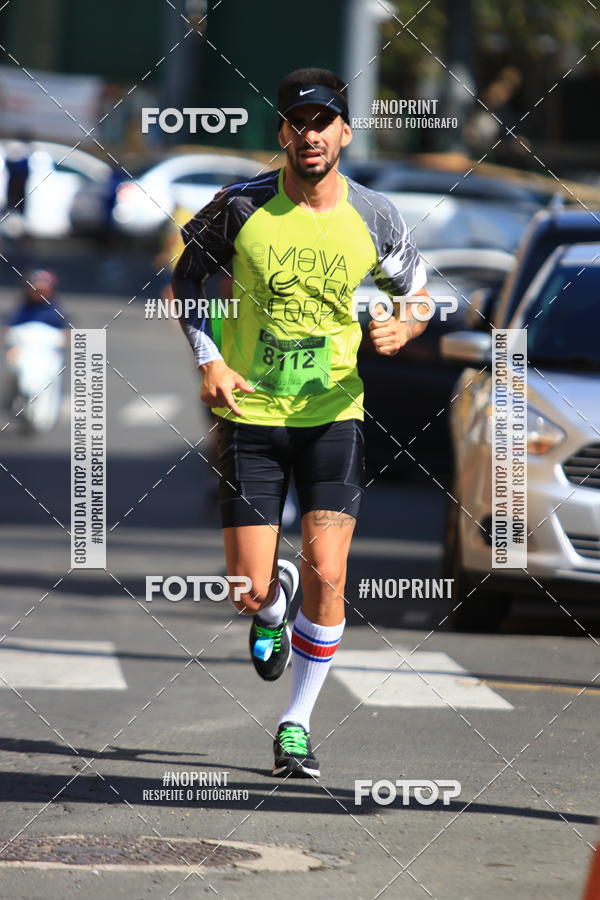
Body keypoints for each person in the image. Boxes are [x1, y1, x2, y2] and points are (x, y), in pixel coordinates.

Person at [173, 68, 431, 778]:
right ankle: (272, 600)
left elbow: (416, 293)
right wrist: (209, 359)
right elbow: (186, 279)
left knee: (332, 571)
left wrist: (404, 327)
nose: (311, 135)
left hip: (333, 415)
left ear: (344, 133)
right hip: (250, 415)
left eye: (324, 123)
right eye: (298, 123)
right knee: (247, 590)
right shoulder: (241, 206)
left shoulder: (375, 215)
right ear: (283, 133)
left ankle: (295, 724)